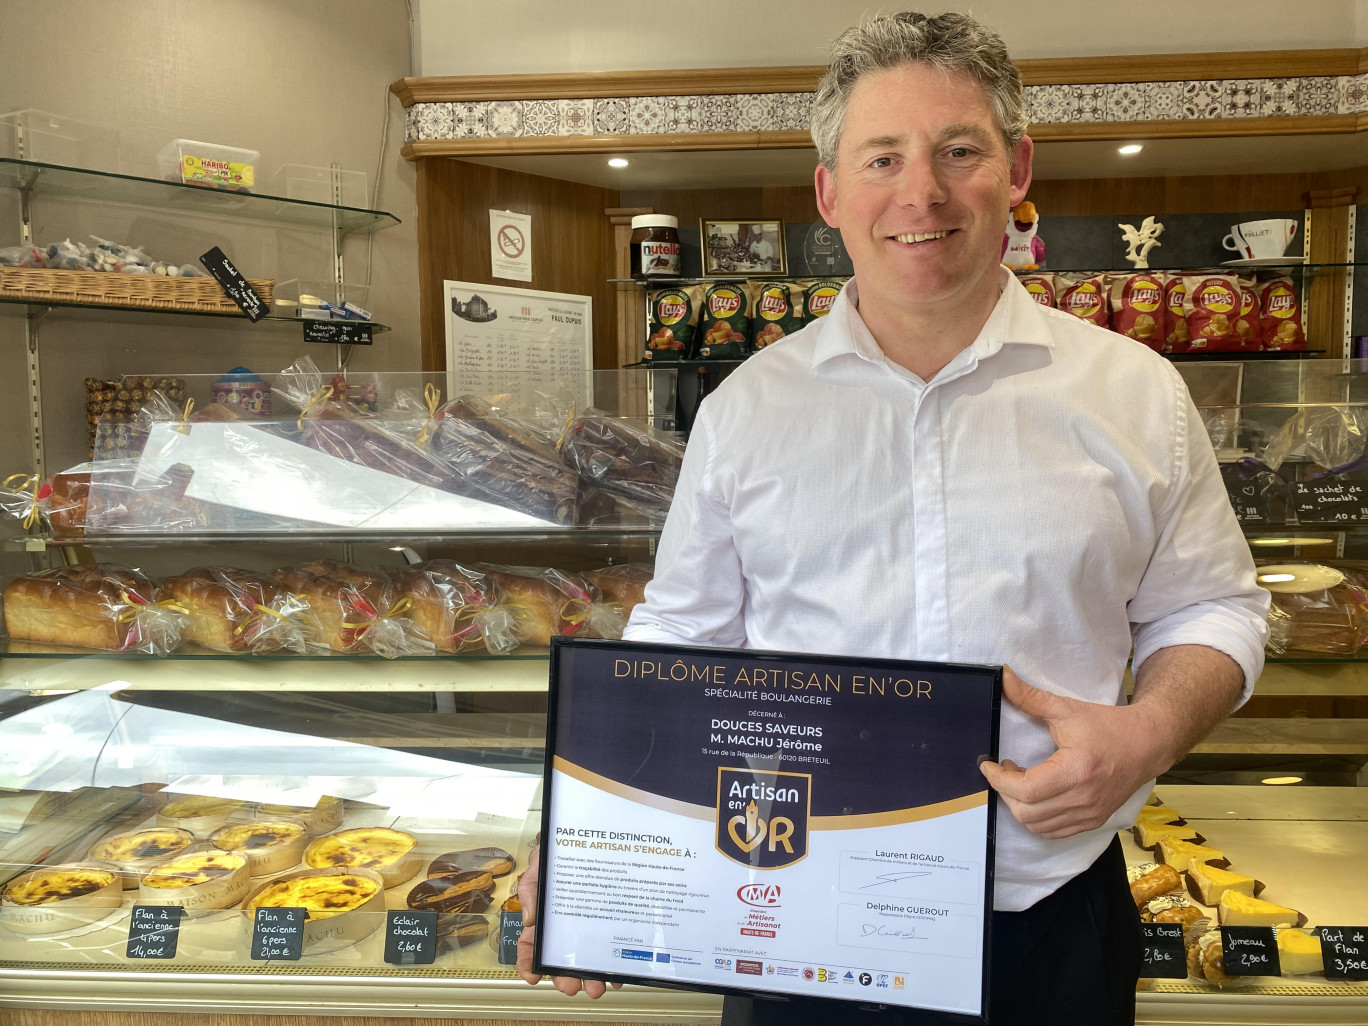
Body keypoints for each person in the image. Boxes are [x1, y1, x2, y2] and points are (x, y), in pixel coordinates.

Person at [517, 11, 1269, 1025]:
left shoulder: (1135, 392)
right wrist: (579, 837)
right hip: (792, 914)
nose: (920, 191)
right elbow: (682, 638)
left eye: (960, 150)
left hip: (1046, 918)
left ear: (1017, 169)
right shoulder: (747, 409)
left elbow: (1215, 608)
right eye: (883, 157)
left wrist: (1148, 733)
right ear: (831, 192)